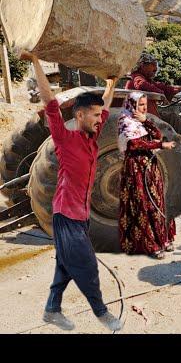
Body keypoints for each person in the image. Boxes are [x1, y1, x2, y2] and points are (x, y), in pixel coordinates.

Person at [20, 51, 122, 332]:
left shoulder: (92, 140)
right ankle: (103, 315)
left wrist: (112, 84)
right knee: (87, 268)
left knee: (65, 267)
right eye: (94, 115)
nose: (100, 119)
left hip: (81, 215)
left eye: (100, 115)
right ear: (79, 115)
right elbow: (49, 101)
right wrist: (36, 61)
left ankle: (52, 309)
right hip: (66, 215)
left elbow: (105, 107)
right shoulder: (65, 138)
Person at [117, 91, 177, 259]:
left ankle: (164, 239)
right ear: (132, 105)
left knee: (157, 201)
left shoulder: (143, 120)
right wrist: (161, 145)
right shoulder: (125, 120)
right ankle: (151, 245)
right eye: (140, 105)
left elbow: (157, 134)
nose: (143, 108)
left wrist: (147, 122)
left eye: (145, 104)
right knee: (143, 204)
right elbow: (136, 144)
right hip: (136, 168)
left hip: (150, 167)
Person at [124, 52, 181, 137]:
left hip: (147, 113)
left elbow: (166, 88)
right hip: (142, 115)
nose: (155, 70)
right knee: (174, 118)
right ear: (143, 66)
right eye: (153, 66)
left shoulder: (146, 79)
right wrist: (161, 95)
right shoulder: (136, 77)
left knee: (173, 117)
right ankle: (180, 146)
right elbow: (141, 84)